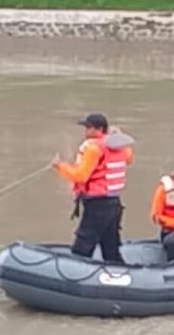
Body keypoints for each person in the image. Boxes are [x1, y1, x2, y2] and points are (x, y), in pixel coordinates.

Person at [52, 113, 134, 264]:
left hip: (97, 203)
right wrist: (119, 136)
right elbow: (129, 158)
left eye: (88, 128)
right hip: (113, 203)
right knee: (110, 245)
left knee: (83, 244)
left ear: (99, 129)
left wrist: (60, 166)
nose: (85, 132)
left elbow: (81, 176)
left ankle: (75, 274)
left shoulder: (93, 149)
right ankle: (118, 269)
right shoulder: (119, 147)